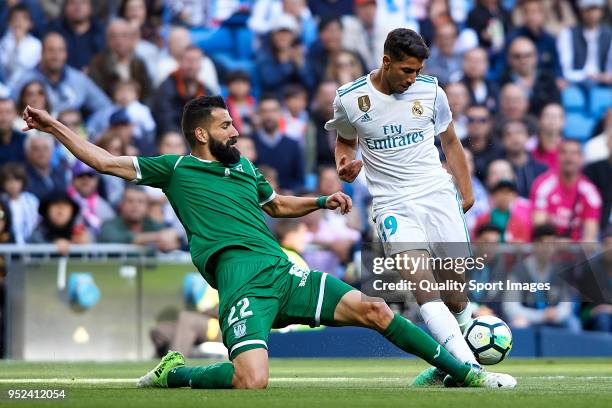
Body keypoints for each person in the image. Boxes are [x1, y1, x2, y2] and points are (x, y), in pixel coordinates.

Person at [21, 96, 515, 389]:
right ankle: (176, 374)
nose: (235, 130)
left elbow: (275, 205)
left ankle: (463, 373)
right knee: (250, 381)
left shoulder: (243, 168)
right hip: (239, 278)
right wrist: (55, 127)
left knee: (377, 310)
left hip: (281, 269)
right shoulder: (175, 169)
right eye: (225, 125)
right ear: (199, 134)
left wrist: (321, 202)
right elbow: (105, 161)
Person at [326, 28, 493, 386]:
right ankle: (469, 370)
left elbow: (449, 139)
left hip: (436, 194)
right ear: (386, 61)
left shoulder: (431, 91)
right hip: (392, 203)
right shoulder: (350, 99)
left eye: (417, 70)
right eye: (406, 70)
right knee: (423, 287)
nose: (412, 78)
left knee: (455, 295)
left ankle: (449, 361)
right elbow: (344, 140)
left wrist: (466, 190)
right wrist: (344, 164)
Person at [530, 139, 602, 242]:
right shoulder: (543, 185)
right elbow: (539, 227)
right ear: (557, 157)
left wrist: (571, 247)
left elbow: (589, 238)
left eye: (574, 153)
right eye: (564, 152)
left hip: (577, 253)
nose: (569, 157)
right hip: (547, 250)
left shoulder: (590, 193)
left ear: (581, 159)